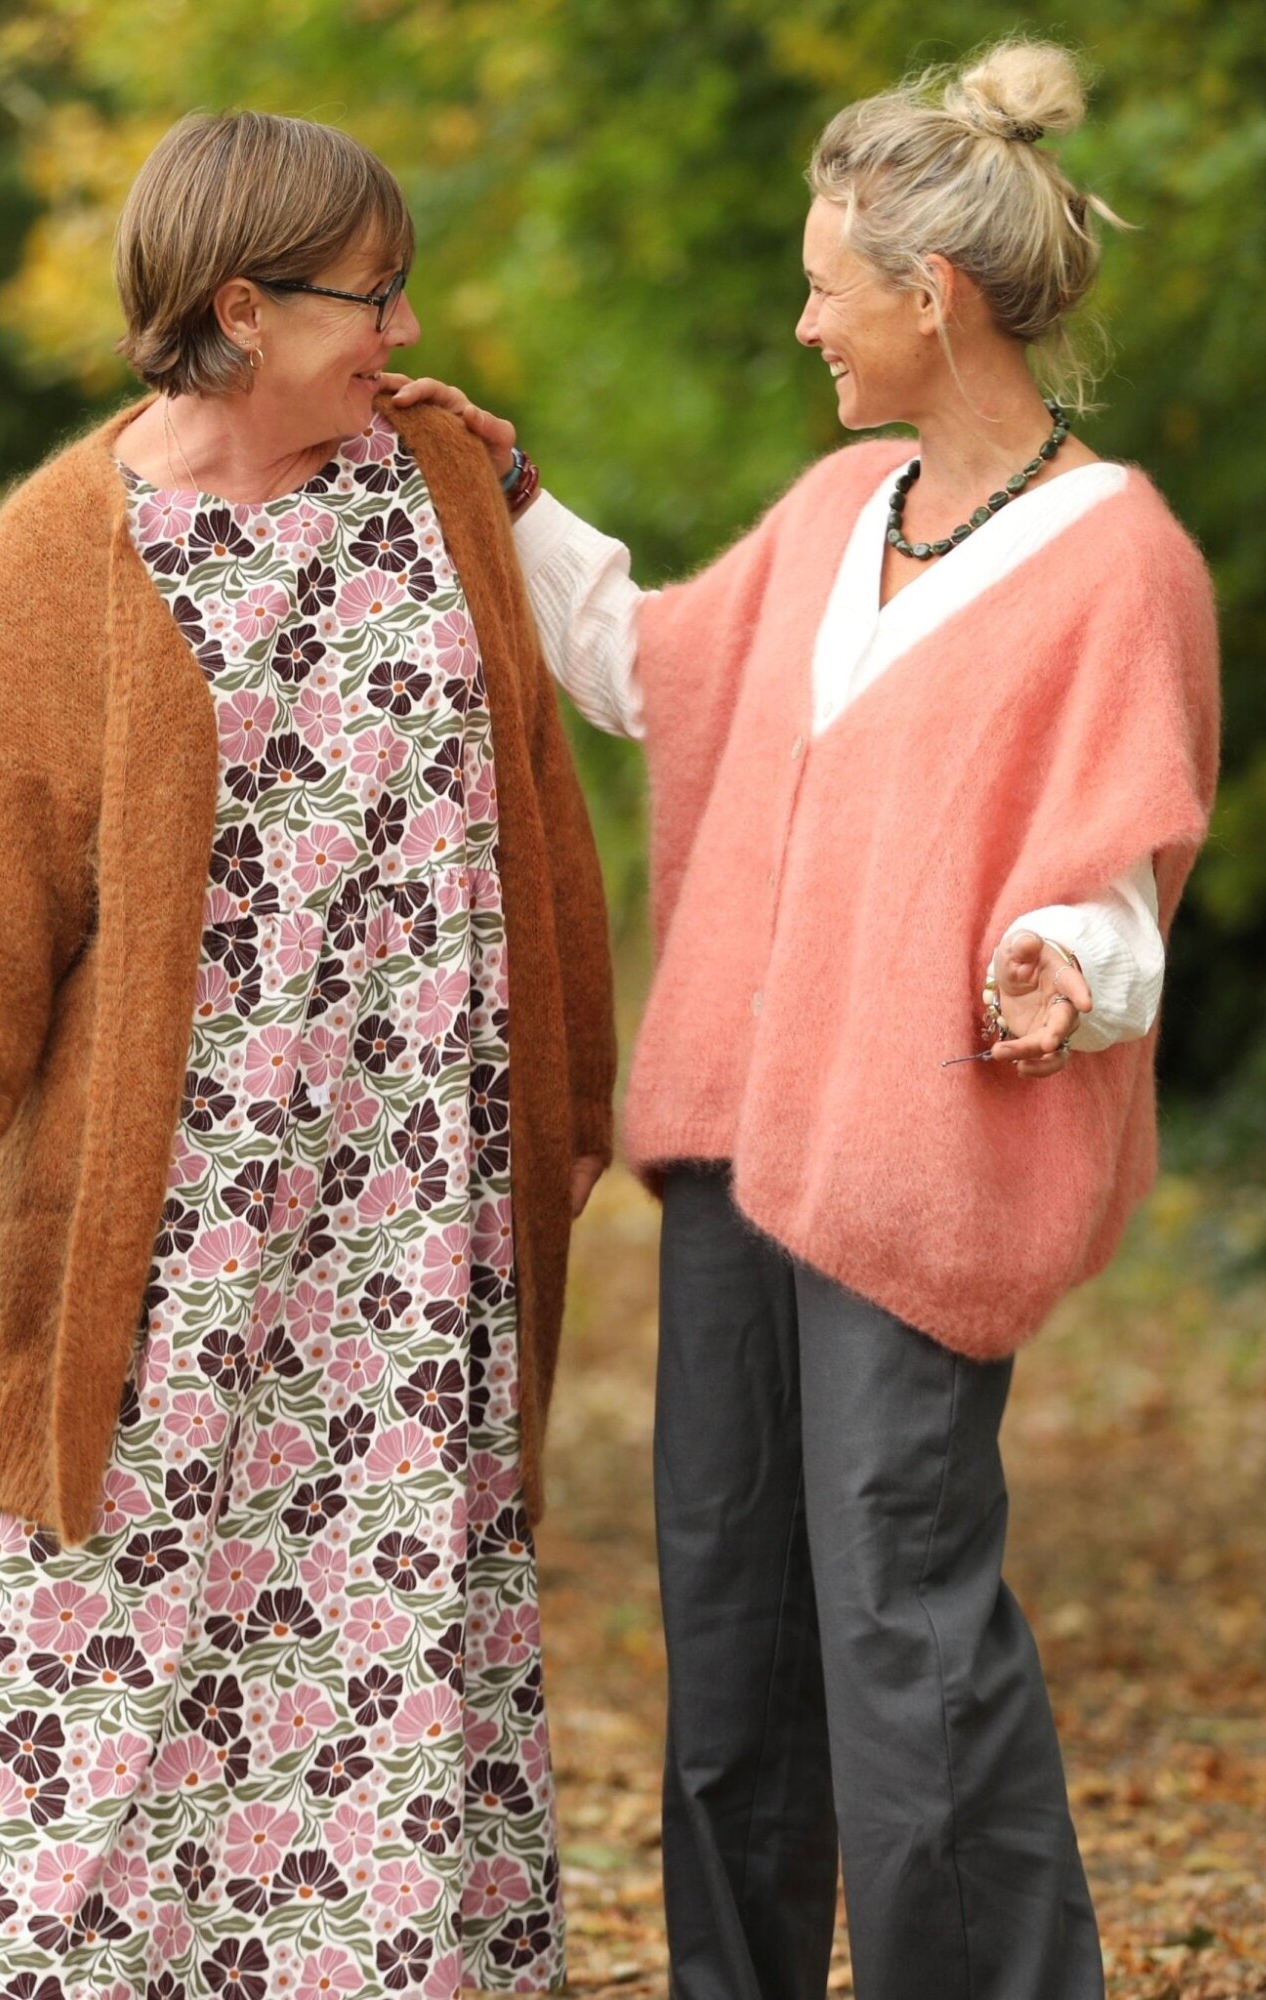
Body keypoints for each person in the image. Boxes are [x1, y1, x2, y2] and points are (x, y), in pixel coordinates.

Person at [391, 38, 1220, 2000]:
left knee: (902, 1627)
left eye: (826, 287)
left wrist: (1066, 961)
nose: (802, 323)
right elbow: (651, 665)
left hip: (919, 1158)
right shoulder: (844, 507)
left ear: (932, 298)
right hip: (733, 1153)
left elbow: (1122, 862)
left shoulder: (1120, 559)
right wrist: (508, 492)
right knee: (733, 1625)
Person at [0, 109, 615, 1999]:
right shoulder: (66, 542)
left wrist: (579, 1088)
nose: (406, 327)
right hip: (175, 1221)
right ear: (239, 307)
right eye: (373, 295)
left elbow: (542, 796)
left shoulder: (438, 482)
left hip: (410, 1212)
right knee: (112, 1618)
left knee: (388, 1624)